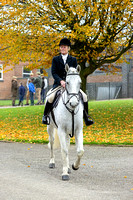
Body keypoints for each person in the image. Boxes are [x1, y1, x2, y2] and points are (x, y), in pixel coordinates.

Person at [42, 38, 94, 126]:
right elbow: (54, 72)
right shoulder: (55, 59)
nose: (63, 48)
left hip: (71, 86)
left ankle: (86, 117)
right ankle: (45, 116)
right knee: (50, 97)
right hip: (58, 84)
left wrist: (68, 82)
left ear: (68, 48)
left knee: (84, 96)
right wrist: (61, 81)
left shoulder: (73, 59)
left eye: (64, 47)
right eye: (61, 47)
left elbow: (75, 73)